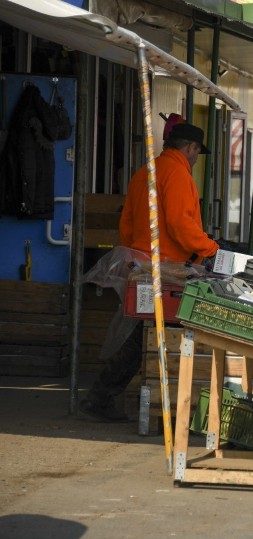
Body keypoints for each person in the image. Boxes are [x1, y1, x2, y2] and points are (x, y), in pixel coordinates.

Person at [80, 123, 219, 422]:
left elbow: (127, 223)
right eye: (197, 153)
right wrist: (210, 248)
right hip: (165, 267)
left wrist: (135, 257)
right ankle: (117, 398)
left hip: (139, 262)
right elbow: (181, 226)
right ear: (191, 148)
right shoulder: (178, 174)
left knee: (137, 332)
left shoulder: (146, 171)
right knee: (149, 335)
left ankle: (104, 396)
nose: (196, 159)